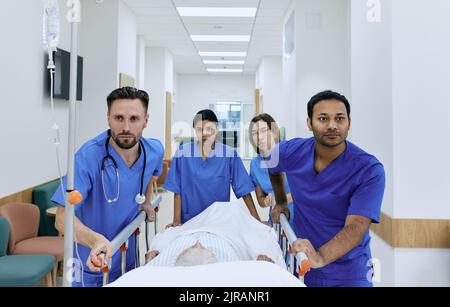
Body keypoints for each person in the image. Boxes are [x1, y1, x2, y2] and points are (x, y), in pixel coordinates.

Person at [268, 90, 385, 287]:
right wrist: (280, 201)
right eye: (323, 118)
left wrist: (319, 257)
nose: (332, 125)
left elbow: (356, 227)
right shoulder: (292, 151)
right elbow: (272, 163)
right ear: (309, 123)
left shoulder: (368, 169)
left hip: (350, 273)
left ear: (349, 122)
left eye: (339, 118)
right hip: (305, 268)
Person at [52, 87, 164, 287]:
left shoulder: (154, 151)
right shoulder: (87, 158)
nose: (126, 127)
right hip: (88, 261)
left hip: (125, 258)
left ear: (146, 120)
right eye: (119, 118)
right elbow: (61, 219)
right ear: (108, 119)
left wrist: (146, 200)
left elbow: (150, 174)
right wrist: (95, 240)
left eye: (134, 119)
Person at [164, 109, 261, 226]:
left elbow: (244, 189)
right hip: (190, 221)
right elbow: (177, 189)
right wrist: (176, 221)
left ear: (217, 128)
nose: (204, 133)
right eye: (200, 129)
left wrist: (257, 220)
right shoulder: (183, 152)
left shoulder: (229, 154)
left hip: (218, 221)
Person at [144, 201, 284, 267]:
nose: (198, 245)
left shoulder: (161, 269)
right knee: (233, 213)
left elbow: (148, 269)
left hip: (190, 232)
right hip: (226, 235)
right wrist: (263, 269)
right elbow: (264, 269)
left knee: (220, 210)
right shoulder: (234, 271)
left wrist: (151, 262)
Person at [249, 113, 294, 227]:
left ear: (274, 132)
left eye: (264, 130)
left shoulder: (289, 153)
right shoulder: (255, 164)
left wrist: (280, 200)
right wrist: (267, 201)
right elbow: (260, 199)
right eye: (255, 133)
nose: (259, 137)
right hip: (277, 221)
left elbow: (306, 189)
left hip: (301, 217)